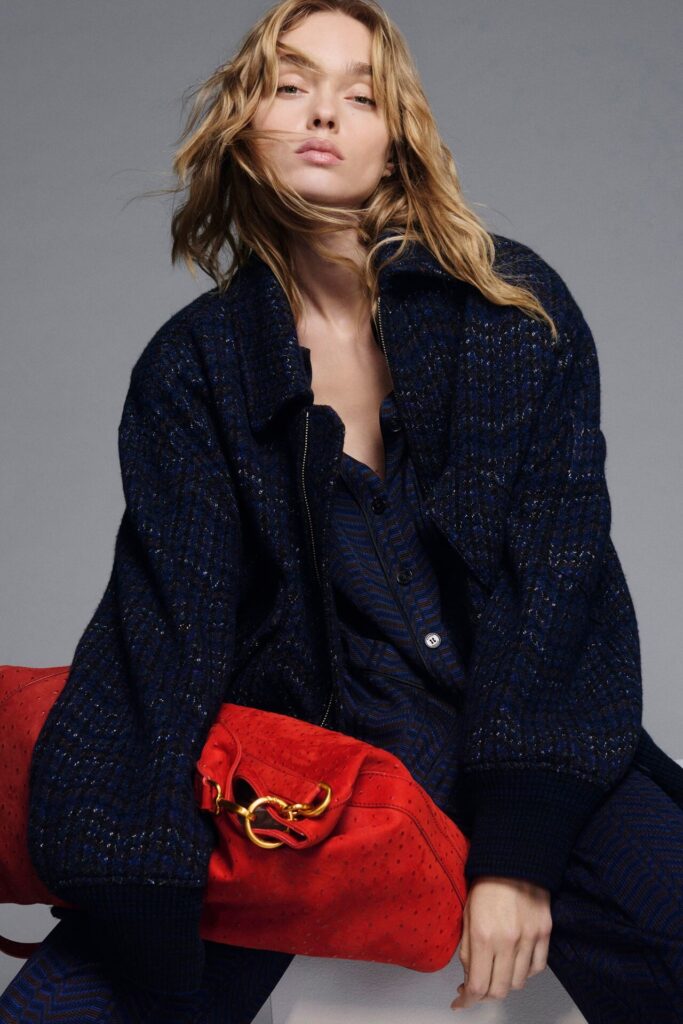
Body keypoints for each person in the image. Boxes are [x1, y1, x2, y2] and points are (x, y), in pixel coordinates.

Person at [3, 1, 683, 1021]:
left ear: (395, 138)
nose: (323, 112)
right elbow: (164, 635)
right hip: (312, 779)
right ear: (244, 127)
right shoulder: (193, 368)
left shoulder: (506, 311)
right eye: (289, 85)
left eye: (360, 96)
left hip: (529, 732)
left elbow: (559, 578)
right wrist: (139, 873)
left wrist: (516, 854)